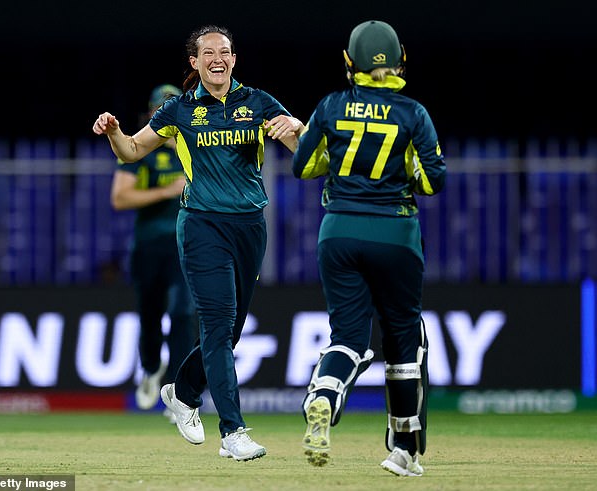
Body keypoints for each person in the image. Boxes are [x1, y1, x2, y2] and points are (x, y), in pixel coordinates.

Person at [93, 24, 303, 461]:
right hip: (202, 225)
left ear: (233, 59)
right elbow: (131, 152)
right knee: (218, 322)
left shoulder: (258, 101)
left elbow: (303, 154)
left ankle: (182, 390)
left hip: (249, 227)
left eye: (224, 51)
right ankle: (233, 431)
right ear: (194, 62)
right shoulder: (178, 110)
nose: (217, 59)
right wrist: (113, 131)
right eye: (208, 53)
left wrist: (296, 128)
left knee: (231, 330)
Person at [292, 20, 446, 476]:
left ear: (348, 62)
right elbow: (432, 181)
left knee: (349, 340)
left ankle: (323, 393)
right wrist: (406, 176)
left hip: (338, 232)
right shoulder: (413, 113)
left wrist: (336, 162)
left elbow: (304, 167)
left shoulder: (330, 106)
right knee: (404, 339)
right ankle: (404, 449)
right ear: (401, 60)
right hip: (396, 234)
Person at [109, 84, 198, 421]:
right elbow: (120, 198)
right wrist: (166, 192)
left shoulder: (196, 147)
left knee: (181, 314)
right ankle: (150, 368)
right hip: (148, 246)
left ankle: (178, 391)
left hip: (185, 244)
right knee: (149, 316)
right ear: (151, 114)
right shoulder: (139, 149)